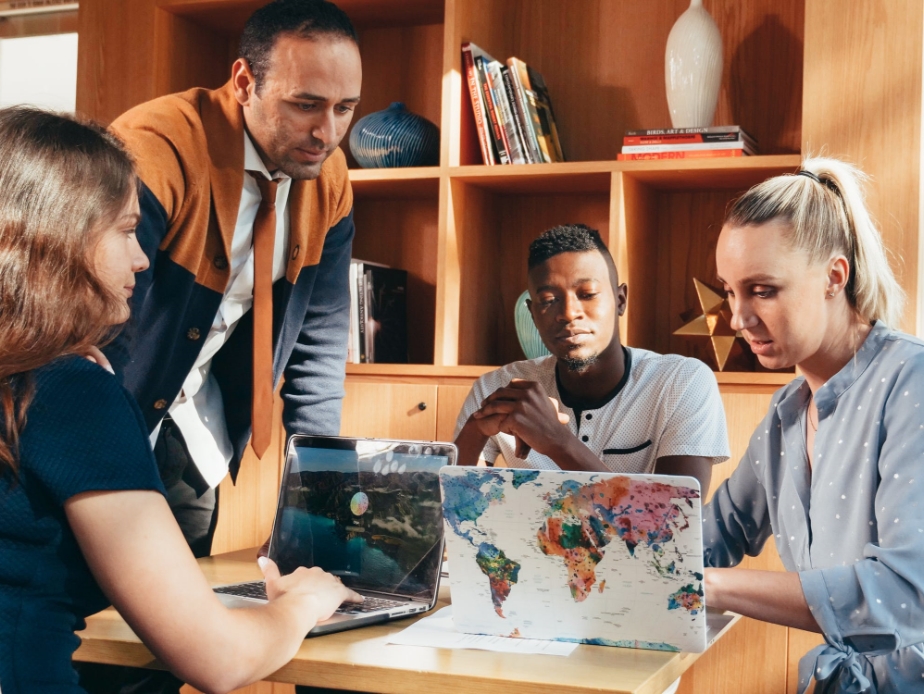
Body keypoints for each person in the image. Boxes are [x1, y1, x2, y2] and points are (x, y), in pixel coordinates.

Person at [0, 107, 361, 694]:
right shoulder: (69, 392)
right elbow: (217, 660)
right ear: (58, 239)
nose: (142, 259)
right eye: (123, 231)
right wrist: (304, 603)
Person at [702, 157, 924, 693]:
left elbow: (906, 594)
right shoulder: (785, 415)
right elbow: (708, 537)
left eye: (762, 290)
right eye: (730, 291)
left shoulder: (912, 384)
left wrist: (709, 586)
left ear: (834, 276)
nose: (737, 317)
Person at [454, 224, 730, 493]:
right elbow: (450, 514)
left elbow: (675, 525)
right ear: (533, 313)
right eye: (549, 300)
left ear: (620, 300)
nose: (568, 312)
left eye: (587, 294)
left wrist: (557, 441)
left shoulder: (681, 382)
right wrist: (476, 430)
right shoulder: (498, 389)